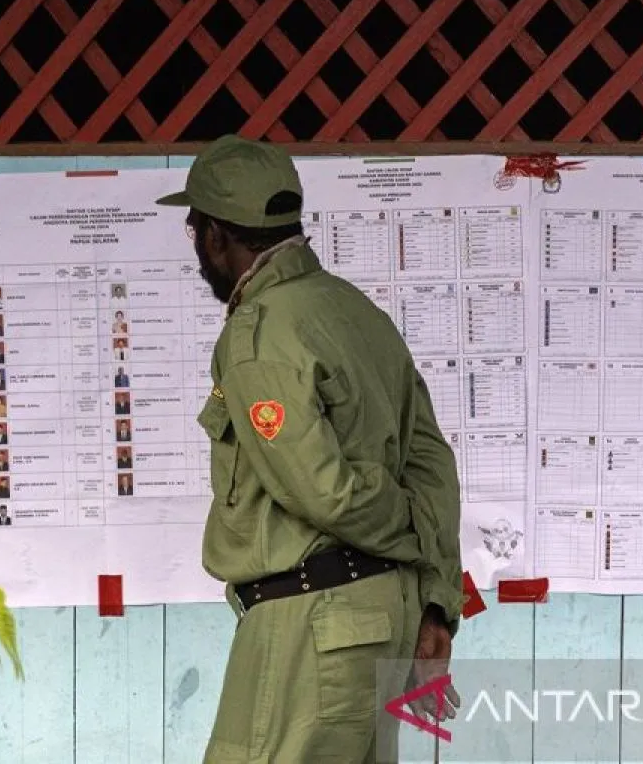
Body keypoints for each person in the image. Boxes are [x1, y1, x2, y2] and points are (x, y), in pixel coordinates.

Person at [155, 134, 464, 763]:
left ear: (215, 236)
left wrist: (410, 538)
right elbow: (431, 463)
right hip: (381, 618)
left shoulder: (259, 331)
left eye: (194, 230)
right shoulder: (357, 312)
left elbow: (324, 492)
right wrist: (434, 600)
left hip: (313, 624)